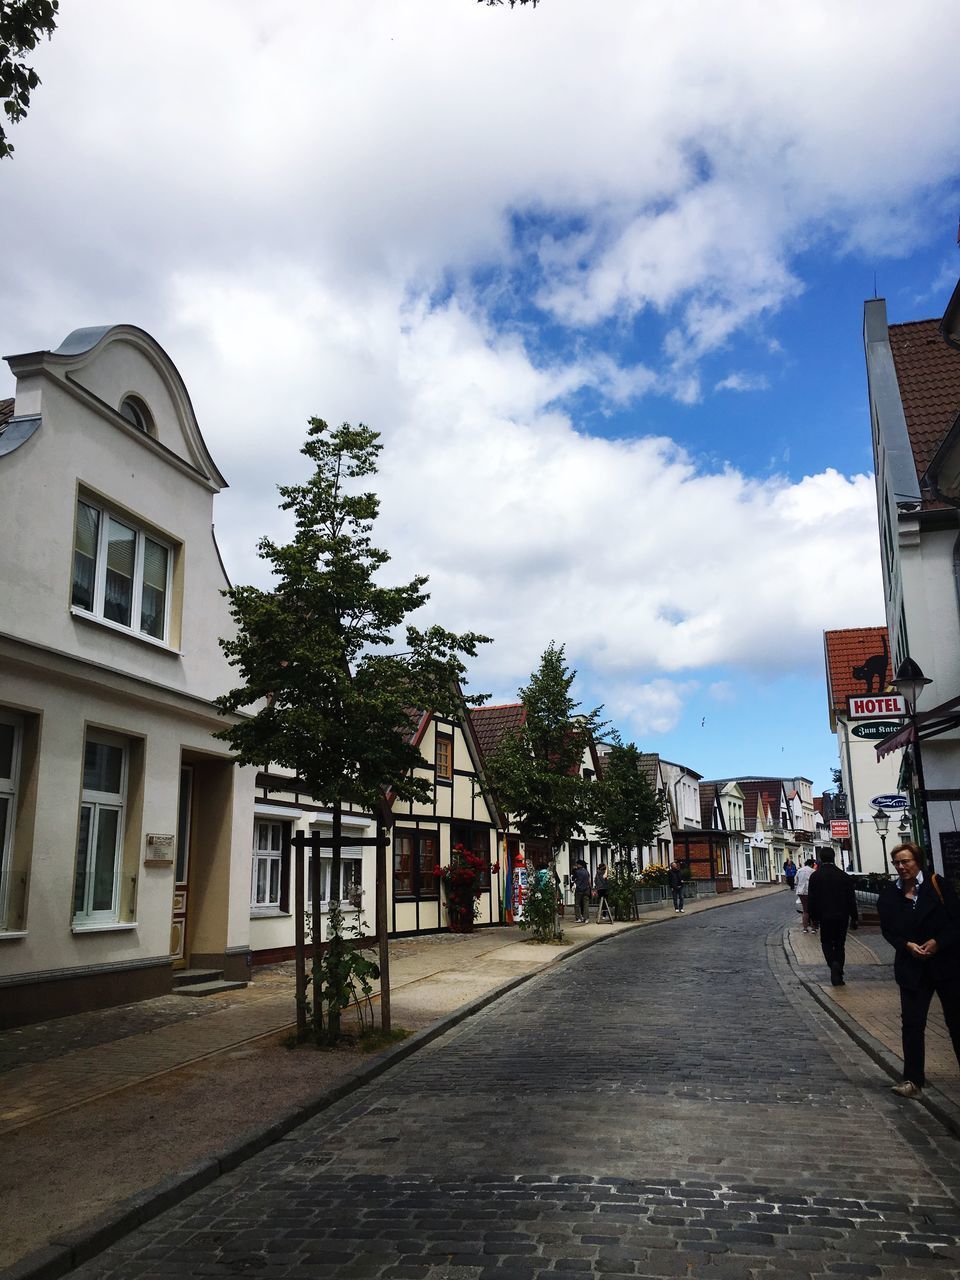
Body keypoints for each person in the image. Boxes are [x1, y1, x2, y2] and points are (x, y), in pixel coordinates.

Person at [878, 842, 960, 1100]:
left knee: (956, 1022)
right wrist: (906, 945)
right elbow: (888, 930)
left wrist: (938, 942)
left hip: (946, 965)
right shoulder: (890, 894)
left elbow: (957, 921)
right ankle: (913, 1080)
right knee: (912, 1025)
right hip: (912, 967)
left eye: (906, 862)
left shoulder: (939, 886)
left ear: (918, 861)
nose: (901, 867)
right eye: (897, 863)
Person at [807, 847, 858, 986]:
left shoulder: (816, 876)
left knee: (826, 942)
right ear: (833, 857)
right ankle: (838, 973)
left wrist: (813, 917)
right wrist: (854, 917)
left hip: (825, 916)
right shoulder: (843, 876)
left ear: (821, 859)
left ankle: (833, 964)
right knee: (840, 945)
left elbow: (812, 898)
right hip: (842, 916)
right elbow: (851, 899)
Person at [794, 858, 816, 933]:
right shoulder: (812, 871)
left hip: (801, 892)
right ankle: (813, 928)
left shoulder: (799, 870)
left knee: (805, 910)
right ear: (811, 864)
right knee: (813, 910)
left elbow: (795, 881)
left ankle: (805, 928)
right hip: (810, 892)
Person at [571, 858, 591, 924]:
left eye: (577, 864)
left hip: (579, 890)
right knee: (586, 905)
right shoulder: (586, 872)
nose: (576, 865)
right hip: (586, 890)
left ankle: (579, 918)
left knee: (577, 904)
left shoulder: (577, 871)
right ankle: (586, 918)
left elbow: (573, 878)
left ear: (579, 865)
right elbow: (589, 881)